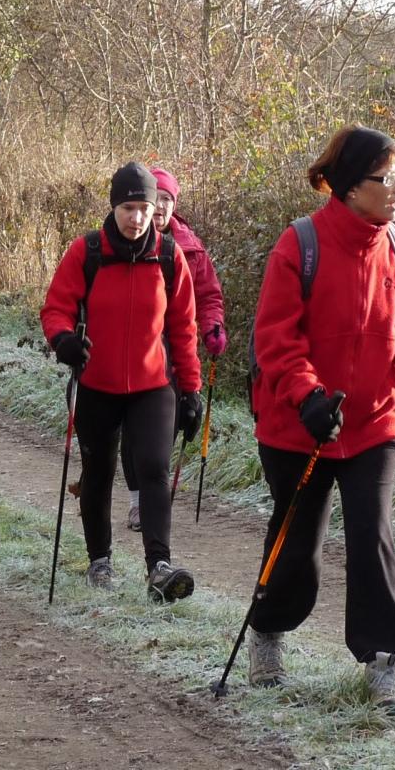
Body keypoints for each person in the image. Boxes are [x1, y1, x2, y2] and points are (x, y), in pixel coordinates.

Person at [246, 125, 395, 715]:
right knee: (298, 546)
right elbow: (276, 338)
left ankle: (383, 664)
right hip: (299, 425)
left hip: (374, 422)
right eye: (387, 179)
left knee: (372, 537)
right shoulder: (299, 243)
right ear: (350, 186)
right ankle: (268, 631)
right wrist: (307, 397)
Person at [40, 162, 203, 601]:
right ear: (114, 207)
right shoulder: (88, 252)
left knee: (153, 469)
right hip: (97, 383)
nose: (136, 218)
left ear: (157, 210)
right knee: (99, 472)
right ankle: (100, 561)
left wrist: (191, 390)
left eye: (145, 209)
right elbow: (55, 308)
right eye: (128, 208)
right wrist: (64, 341)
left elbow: (184, 329)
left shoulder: (169, 257)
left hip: (153, 385)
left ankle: (159, 567)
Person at [119, 166, 226, 532]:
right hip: (136, 350)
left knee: (170, 426)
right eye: (156, 199)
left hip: (177, 352)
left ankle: (154, 495)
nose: (161, 207)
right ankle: (139, 503)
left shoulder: (192, 249)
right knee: (134, 432)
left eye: (167, 200)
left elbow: (210, 295)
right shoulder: (122, 240)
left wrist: (213, 327)